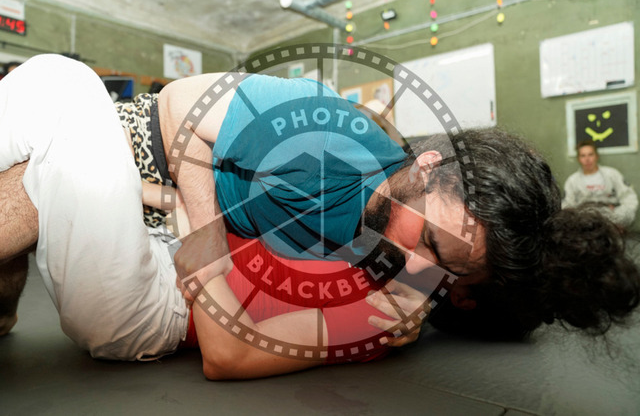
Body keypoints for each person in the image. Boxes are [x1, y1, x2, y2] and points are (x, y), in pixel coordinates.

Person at [1, 55, 639, 378]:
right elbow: (179, 106)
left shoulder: (393, 293)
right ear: (428, 167)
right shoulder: (329, 139)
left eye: (445, 273)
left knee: (62, 86)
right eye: (429, 240)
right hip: (141, 162)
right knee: (58, 98)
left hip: (142, 253)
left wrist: (196, 256)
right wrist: (197, 240)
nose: (415, 265)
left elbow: (226, 346)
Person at [0, 55, 425, 377]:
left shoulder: (378, 315)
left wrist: (200, 247)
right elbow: (189, 214)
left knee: (69, 98)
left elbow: (228, 356)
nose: (420, 261)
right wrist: (144, 193)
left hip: (156, 308)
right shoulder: (350, 238)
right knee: (55, 98)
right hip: (158, 252)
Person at [563, 139, 638, 228]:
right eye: (583, 156)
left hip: (612, 217)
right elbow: (567, 205)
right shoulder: (572, 181)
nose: (587, 159)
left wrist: (618, 215)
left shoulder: (612, 174)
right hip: (584, 220)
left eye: (590, 154)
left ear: (597, 156)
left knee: (627, 213)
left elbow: (629, 198)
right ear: (578, 159)